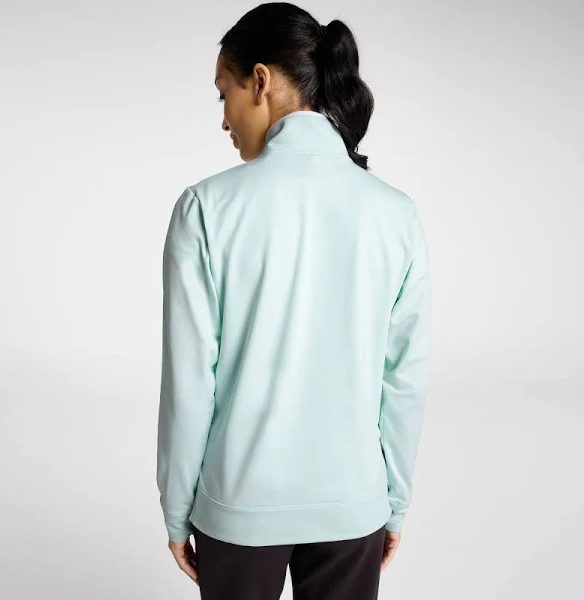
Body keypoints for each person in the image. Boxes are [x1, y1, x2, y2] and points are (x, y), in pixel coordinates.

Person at [156, 2, 432, 598]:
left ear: (260, 81)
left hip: (237, 504)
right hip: (354, 505)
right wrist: (394, 503)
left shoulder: (205, 209)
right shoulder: (396, 214)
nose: (224, 120)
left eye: (224, 93)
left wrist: (177, 511)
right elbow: (403, 380)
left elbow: (190, 382)